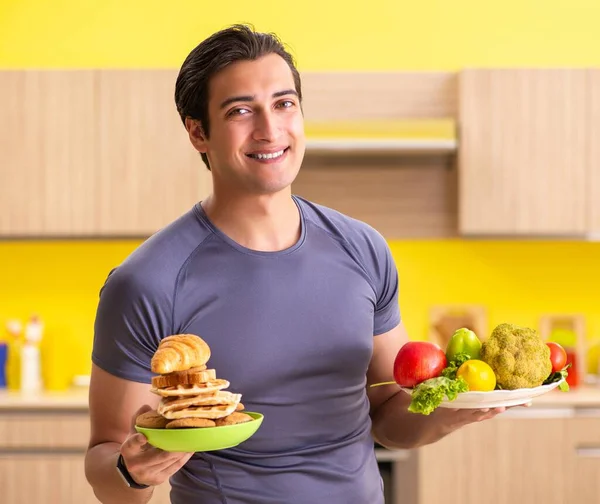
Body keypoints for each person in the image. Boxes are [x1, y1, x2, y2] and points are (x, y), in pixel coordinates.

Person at [84, 24, 505, 504]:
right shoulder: (147, 281)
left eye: (284, 104)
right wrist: (134, 471)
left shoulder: (363, 249)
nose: (270, 129)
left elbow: (388, 416)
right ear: (198, 132)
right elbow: (106, 461)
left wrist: (448, 412)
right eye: (241, 110)